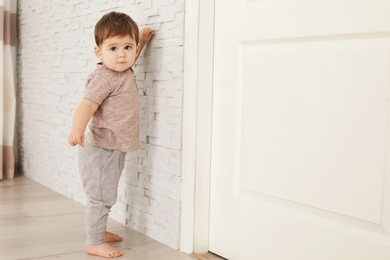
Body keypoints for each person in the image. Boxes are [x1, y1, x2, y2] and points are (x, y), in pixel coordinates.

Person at [68, 11, 154, 258]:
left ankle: (100, 230)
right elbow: (87, 104)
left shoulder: (123, 69)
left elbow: (128, 58)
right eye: (113, 48)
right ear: (99, 52)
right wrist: (77, 128)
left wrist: (143, 41)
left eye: (128, 47)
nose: (122, 54)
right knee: (100, 196)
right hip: (101, 149)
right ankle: (94, 241)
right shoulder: (103, 77)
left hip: (115, 147)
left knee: (108, 193)